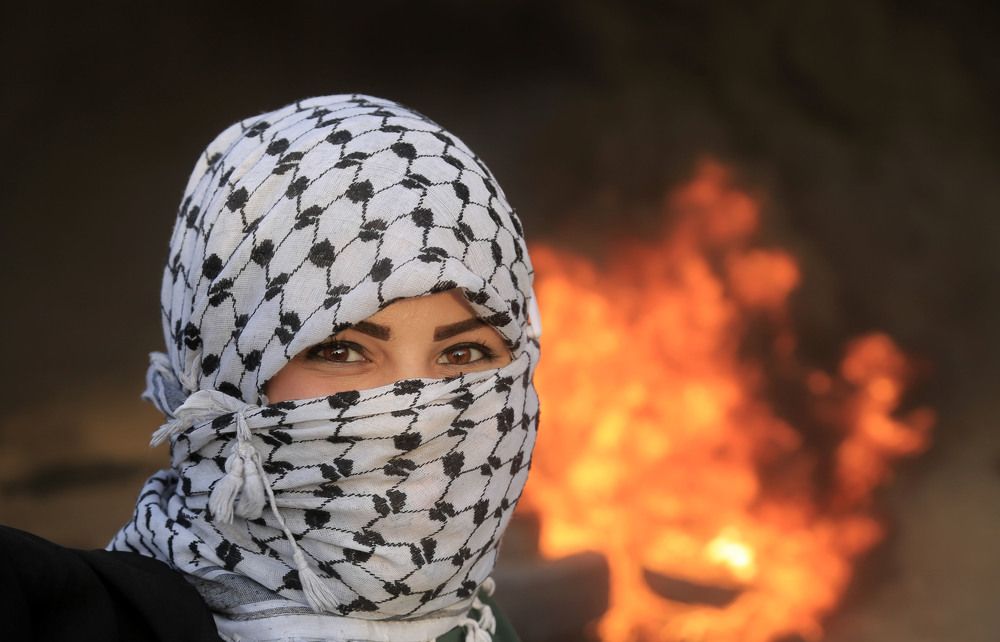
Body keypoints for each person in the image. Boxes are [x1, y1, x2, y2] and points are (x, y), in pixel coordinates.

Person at [2, 94, 540, 641]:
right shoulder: (86, 621)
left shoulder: (484, 630)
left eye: (462, 354)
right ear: (226, 374)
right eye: (341, 351)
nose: (415, 417)